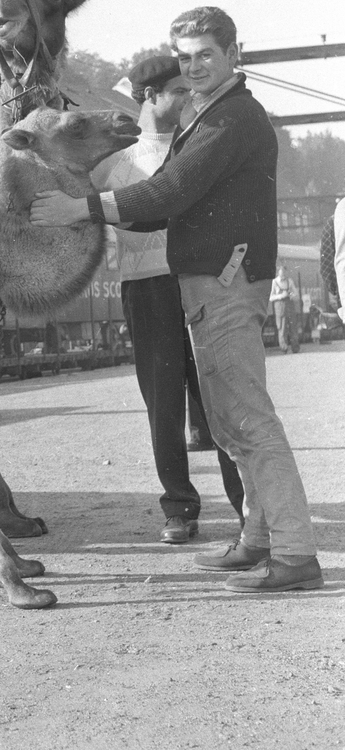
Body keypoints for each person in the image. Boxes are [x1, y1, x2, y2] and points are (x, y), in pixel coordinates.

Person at [32, 7, 322, 593]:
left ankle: (296, 555)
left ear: (234, 54)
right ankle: (257, 539)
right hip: (207, 281)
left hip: (223, 281)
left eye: (204, 55)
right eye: (183, 57)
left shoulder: (231, 118)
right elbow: (166, 208)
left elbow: (172, 189)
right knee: (228, 422)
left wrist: (82, 209)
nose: (192, 68)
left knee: (249, 420)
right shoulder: (209, 114)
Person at [90, 54, 244, 545]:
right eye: (178, 91)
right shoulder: (112, 165)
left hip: (194, 282)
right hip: (145, 291)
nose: (188, 98)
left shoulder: (195, 148)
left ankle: (246, 506)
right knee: (162, 404)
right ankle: (179, 508)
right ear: (149, 96)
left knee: (218, 399)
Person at [269, 263, 301, 353]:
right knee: (282, 329)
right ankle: (284, 348)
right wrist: (281, 296)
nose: (283, 275)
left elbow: (297, 295)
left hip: (290, 307)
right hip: (280, 308)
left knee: (293, 328)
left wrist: (292, 296)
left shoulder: (289, 281)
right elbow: (271, 297)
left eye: (284, 273)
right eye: (281, 273)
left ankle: (295, 348)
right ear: (278, 273)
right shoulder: (274, 282)